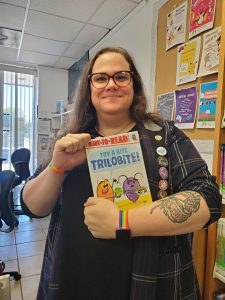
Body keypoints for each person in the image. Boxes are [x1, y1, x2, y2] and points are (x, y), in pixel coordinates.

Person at [21, 46, 222, 300]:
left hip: (151, 284)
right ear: (89, 87)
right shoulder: (70, 139)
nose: (111, 85)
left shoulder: (164, 136)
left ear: (134, 83)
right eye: (101, 78)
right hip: (72, 281)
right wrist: (57, 168)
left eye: (121, 76)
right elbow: (32, 207)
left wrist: (121, 222)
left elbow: (208, 199)